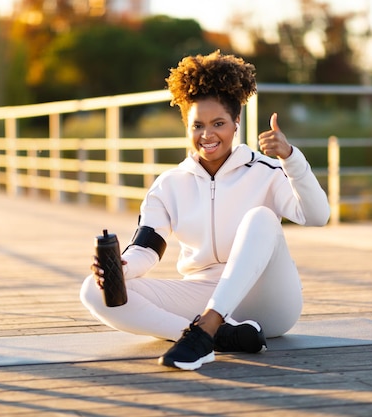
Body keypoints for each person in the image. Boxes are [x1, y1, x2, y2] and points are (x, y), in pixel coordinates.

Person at [80, 50, 330, 371]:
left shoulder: (267, 169)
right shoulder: (169, 184)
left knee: (261, 218)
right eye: (198, 125)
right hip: (202, 292)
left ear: (236, 123)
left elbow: (317, 216)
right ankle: (206, 336)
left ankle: (206, 329)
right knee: (94, 290)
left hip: (269, 299)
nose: (207, 134)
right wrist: (118, 270)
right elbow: (146, 249)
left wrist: (291, 158)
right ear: (186, 125)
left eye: (219, 123)